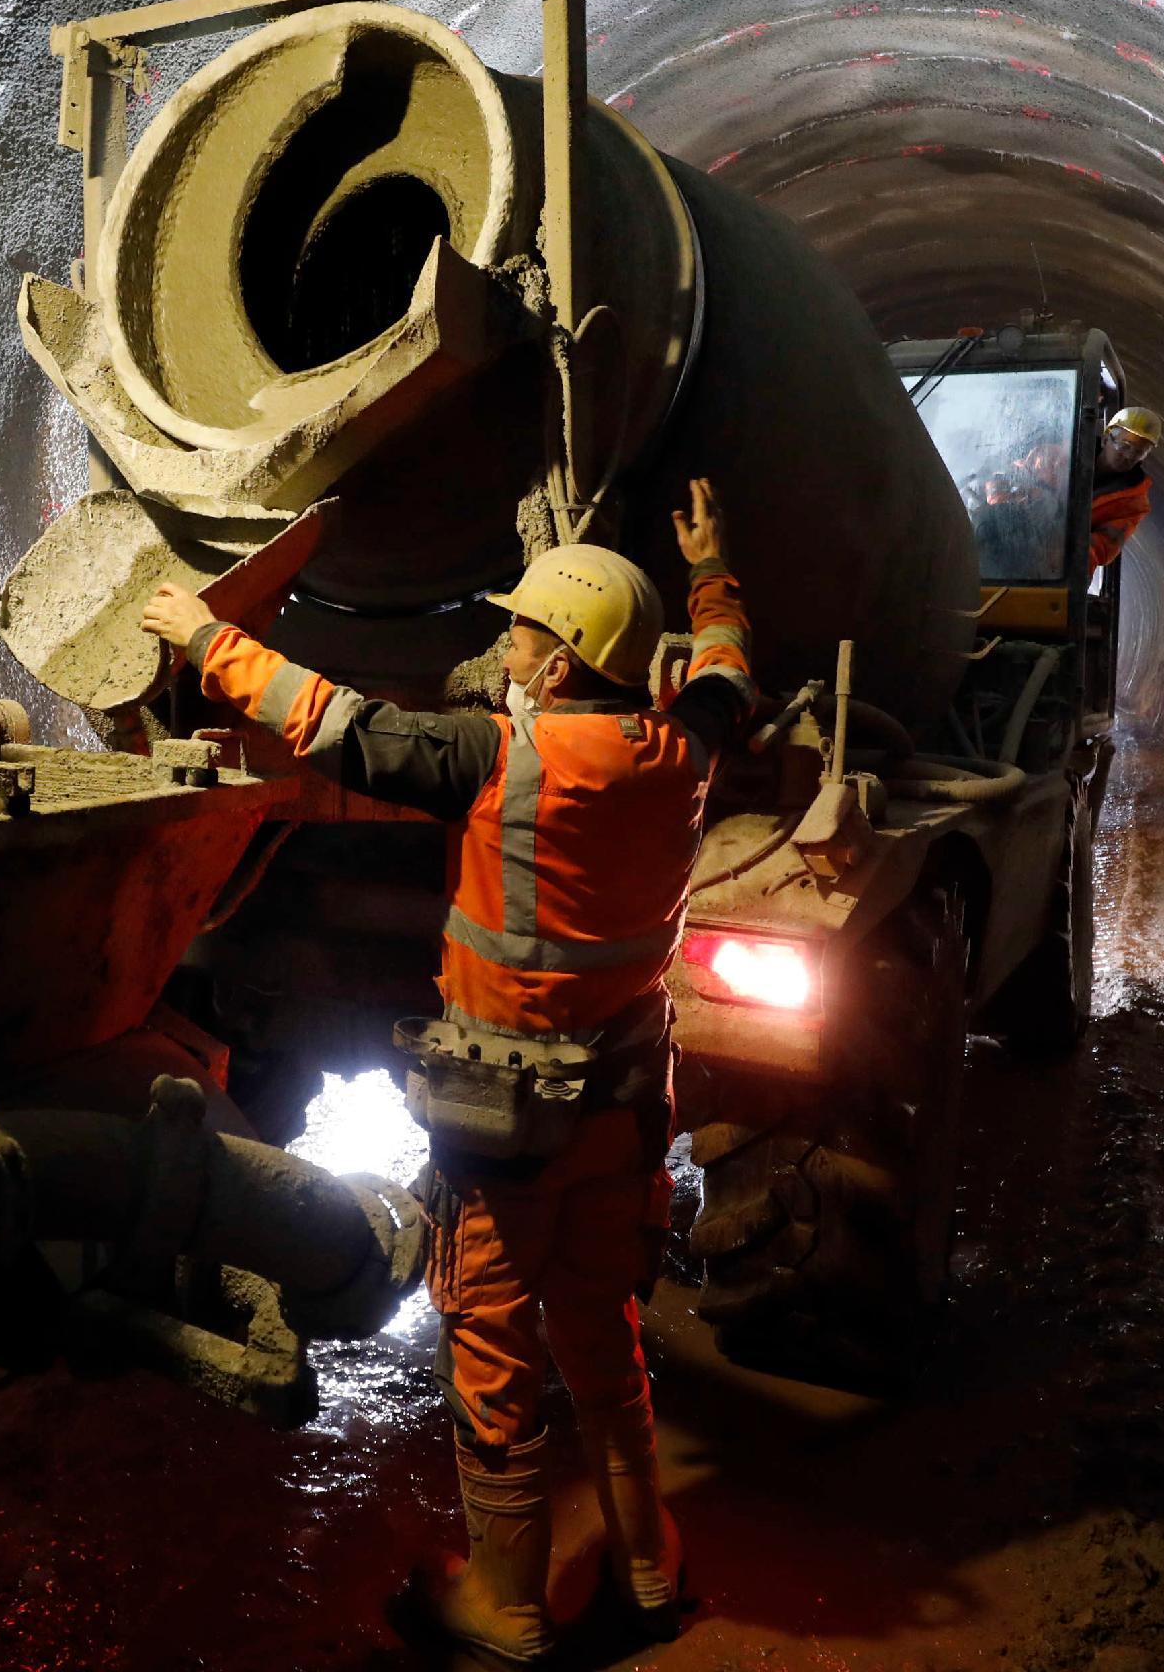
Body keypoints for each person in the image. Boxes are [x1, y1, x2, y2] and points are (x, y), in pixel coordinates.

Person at [137, 479, 756, 1667]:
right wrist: (712, 572)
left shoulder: (500, 757)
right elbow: (726, 668)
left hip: (508, 1129)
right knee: (603, 1334)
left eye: (518, 634)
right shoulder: (685, 745)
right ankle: (647, 1563)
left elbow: (335, 724)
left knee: (491, 1349)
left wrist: (206, 637)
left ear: (562, 664)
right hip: (624, 1114)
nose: (502, 650)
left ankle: (507, 1605)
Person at [1090, 405, 1163, 567]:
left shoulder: (1133, 503)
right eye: (1124, 446)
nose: (1129, 456)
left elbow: (1103, 546)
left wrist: (1063, 550)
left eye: (1138, 452)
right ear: (1105, 439)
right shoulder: (1059, 456)